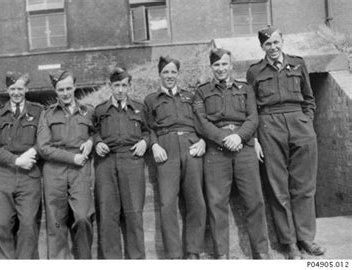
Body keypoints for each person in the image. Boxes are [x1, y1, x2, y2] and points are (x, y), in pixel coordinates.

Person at [246, 26, 325, 259]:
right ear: (262, 47)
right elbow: (252, 108)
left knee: (304, 185)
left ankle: (306, 239)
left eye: (276, 42)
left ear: (283, 41)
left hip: (299, 122)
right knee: (278, 186)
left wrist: (306, 122)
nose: (273, 47)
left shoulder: (298, 64)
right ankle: (289, 242)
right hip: (269, 125)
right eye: (268, 44)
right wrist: (257, 138)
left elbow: (309, 98)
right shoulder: (255, 71)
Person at [194, 48, 270, 259]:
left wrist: (239, 137)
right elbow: (201, 122)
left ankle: (261, 253)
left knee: (255, 201)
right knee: (217, 204)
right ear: (211, 67)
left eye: (224, 64)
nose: (221, 69)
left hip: (243, 148)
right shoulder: (202, 91)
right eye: (216, 65)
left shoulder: (245, 89)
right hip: (217, 151)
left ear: (231, 65)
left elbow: (253, 117)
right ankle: (222, 256)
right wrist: (223, 138)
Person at [143, 56, 207, 259]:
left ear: (178, 74)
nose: (169, 76)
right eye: (165, 72)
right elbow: (148, 127)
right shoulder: (151, 100)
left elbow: (201, 121)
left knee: (196, 200)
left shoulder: (191, 96)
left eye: (173, 72)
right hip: (166, 148)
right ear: (159, 74)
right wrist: (154, 145)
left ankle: (193, 251)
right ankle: (174, 255)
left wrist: (203, 141)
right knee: (167, 203)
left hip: (191, 146)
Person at [36, 70, 95, 259]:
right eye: (61, 89)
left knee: (83, 217)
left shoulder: (88, 111)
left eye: (69, 88)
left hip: (80, 173)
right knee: (56, 223)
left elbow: (98, 132)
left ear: (75, 87)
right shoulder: (47, 114)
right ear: (56, 91)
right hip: (55, 172)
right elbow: (43, 148)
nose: (66, 93)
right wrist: (71, 158)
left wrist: (91, 141)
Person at [92, 66, 150, 259]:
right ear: (110, 86)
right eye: (116, 85)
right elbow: (92, 132)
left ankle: (137, 259)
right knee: (108, 214)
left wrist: (145, 142)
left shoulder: (140, 108)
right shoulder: (100, 110)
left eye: (124, 85)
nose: (120, 90)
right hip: (106, 163)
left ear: (129, 86)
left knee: (134, 213)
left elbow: (148, 131)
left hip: (132, 160)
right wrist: (97, 142)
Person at [0, 72, 44, 259]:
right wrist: (16, 160)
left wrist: (32, 152)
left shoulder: (38, 111)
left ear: (26, 89)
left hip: (29, 176)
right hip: (2, 175)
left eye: (20, 88)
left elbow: (44, 140)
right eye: (12, 89)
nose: (16, 92)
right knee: (2, 226)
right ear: (7, 90)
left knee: (28, 225)